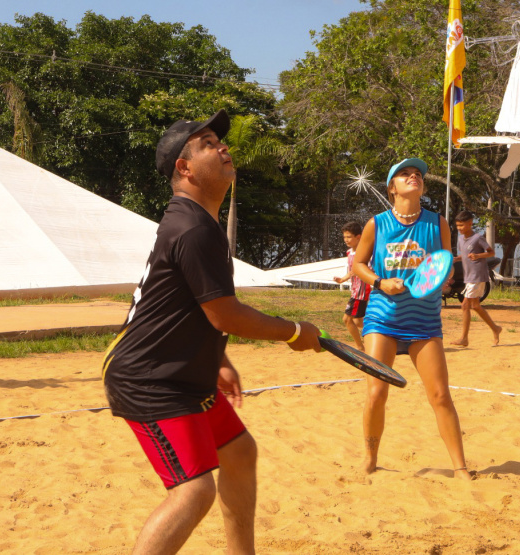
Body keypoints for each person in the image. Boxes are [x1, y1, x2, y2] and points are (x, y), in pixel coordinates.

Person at [102, 109, 321, 555]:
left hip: (183, 373)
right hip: (151, 379)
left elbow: (184, 304)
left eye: (219, 141)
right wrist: (295, 331)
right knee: (193, 491)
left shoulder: (196, 222)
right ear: (184, 168)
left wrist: (217, 358)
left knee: (239, 452)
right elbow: (225, 315)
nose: (223, 147)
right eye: (207, 144)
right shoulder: (192, 227)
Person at [352, 157, 472, 481]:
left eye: (417, 173)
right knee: (376, 393)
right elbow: (358, 265)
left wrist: (440, 278)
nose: (412, 176)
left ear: (423, 185)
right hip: (383, 317)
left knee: (440, 395)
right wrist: (380, 282)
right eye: (404, 174)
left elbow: (445, 262)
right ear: (392, 188)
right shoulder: (376, 224)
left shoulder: (438, 223)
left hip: (424, 320)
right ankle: (370, 459)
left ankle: (460, 467)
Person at [449, 211, 503, 347]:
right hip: (468, 276)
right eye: (457, 225)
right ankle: (495, 328)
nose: (459, 228)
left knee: (465, 305)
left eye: (462, 225)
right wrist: (457, 258)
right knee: (475, 306)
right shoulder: (461, 239)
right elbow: (466, 255)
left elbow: (491, 252)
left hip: (477, 275)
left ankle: (464, 339)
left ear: (470, 223)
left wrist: (478, 256)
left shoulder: (478, 238)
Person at [333, 221, 371, 350]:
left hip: (361, 292)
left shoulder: (364, 253)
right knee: (358, 321)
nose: (346, 240)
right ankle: (379, 333)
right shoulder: (350, 252)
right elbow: (352, 271)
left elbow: (368, 269)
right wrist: (342, 279)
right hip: (355, 291)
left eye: (349, 237)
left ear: (358, 237)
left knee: (347, 319)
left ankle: (360, 347)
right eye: (344, 237)